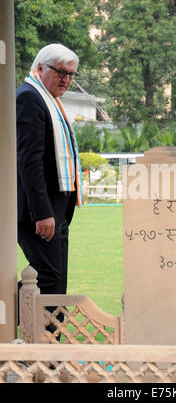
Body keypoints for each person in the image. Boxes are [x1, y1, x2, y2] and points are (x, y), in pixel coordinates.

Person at [17, 44, 83, 332]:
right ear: (40, 68)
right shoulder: (30, 98)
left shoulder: (49, 101)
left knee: (55, 283)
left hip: (56, 209)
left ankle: (51, 352)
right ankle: (46, 353)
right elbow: (28, 161)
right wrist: (42, 212)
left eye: (71, 75)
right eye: (60, 72)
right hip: (39, 211)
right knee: (47, 279)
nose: (66, 80)